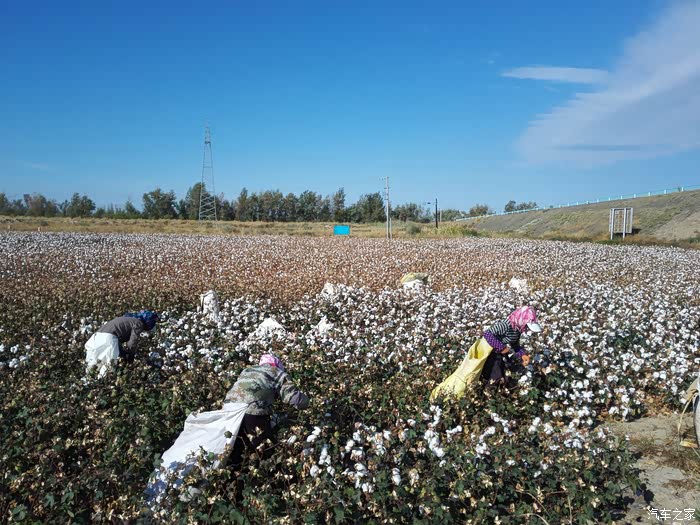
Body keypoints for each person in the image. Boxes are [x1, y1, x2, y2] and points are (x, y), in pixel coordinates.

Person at [225, 353, 310, 469]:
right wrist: (309, 403)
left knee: (235, 450)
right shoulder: (277, 372)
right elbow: (294, 398)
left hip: (229, 410)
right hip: (252, 411)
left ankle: (232, 474)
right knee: (263, 449)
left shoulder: (247, 370)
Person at [84, 310, 160, 377]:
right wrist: (130, 355)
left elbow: (117, 342)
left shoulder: (128, 319)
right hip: (108, 339)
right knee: (109, 367)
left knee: (94, 365)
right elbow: (132, 341)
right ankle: (101, 383)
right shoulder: (138, 323)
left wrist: (123, 353)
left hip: (96, 337)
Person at [480, 305, 541, 387]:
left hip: (501, 355)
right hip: (490, 354)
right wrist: (501, 347)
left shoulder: (517, 329)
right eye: (526, 325)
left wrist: (522, 355)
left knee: (505, 377)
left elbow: (515, 344)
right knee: (495, 378)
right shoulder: (505, 325)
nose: (526, 327)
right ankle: (489, 391)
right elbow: (487, 334)